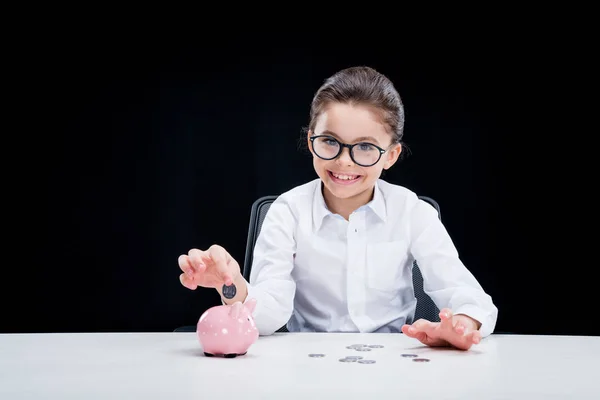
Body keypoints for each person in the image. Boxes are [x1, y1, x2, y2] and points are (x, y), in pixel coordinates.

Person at [178, 66, 498, 351]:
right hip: (306, 364)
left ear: (391, 155)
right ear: (310, 140)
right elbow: (268, 314)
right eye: (330, 141)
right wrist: (231, 284)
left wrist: (461, 326)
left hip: (392, 364)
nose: (344, 160)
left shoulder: (412, 212)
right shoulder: (287, 211)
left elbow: (470, 298)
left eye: (365, 147)